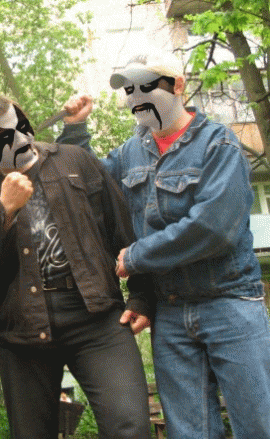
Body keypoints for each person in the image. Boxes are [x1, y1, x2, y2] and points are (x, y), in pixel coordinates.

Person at [56, 50, 270, 439]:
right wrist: (75, 129)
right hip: (170, 312)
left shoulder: (218, 143)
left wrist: (136, 257)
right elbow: (89, 186)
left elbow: (213, 228)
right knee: (189, 432)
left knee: (258, 424)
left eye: (146, 86)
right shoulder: (130, 152)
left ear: (178, 85)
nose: (137, 98)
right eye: (129, 90)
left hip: (230, 302)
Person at [0, 95, 153, 439]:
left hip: (97, 318)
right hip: (23, 331)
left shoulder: (75, 160)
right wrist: (4, 212)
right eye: (3, 134)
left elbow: (123, 231)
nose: (18, 136)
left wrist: (142, 296)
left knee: (129, 426)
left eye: (20, 124)